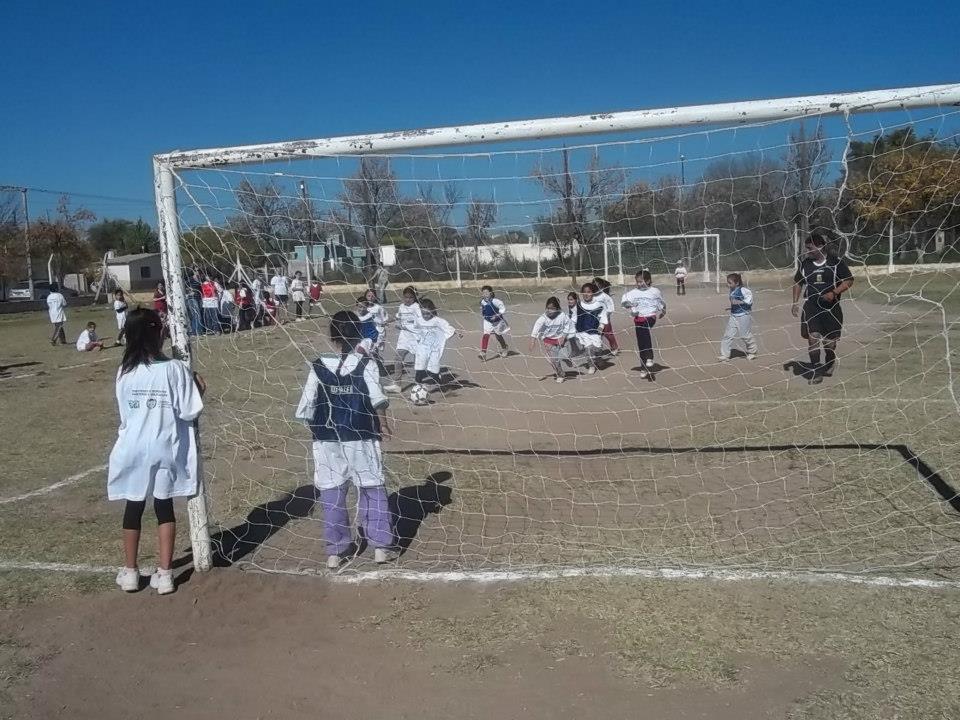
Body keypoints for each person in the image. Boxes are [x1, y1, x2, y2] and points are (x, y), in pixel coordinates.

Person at [107, 308, 206, 594]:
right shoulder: (174, 369)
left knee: (133, 507)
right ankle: (164, 574)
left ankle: (130, 572)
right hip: (165, 446)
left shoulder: (124, 371)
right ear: (156, 334)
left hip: (132, 447)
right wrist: (199, 389)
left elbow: (125, 415)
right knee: (164, 508)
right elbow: (189, 410)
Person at [295, 310, 395, 568]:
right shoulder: (367, 365)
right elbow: (378, 400)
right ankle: (380, 546)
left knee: (332, 490)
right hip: (360, 435)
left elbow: (305, 408)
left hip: (326, 439)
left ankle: (335, 551)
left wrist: (320, 431)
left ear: (332, 336)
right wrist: (383, 425)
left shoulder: (317, 366)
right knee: (371, 485)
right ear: (360, 334)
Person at [791, 233, 854, 384]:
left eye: (810, 248)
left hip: (831, 309)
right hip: (812, 307)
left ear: (820, 246)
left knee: (829, 343)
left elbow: (849, 280)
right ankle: (815, 372)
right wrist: (795, 302)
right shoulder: (805, 264)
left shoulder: (835, 262)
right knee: (813, 338)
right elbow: (798, 283)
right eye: (806, 248)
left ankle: (830, 360)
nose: (807, 251)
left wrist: (834, 292)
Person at [621, 270, 667, 379]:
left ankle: (650, 357)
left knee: (645, 331)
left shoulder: (654, 291)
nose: (639, 284)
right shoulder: (633, 293)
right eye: (637, 282)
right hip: (638, 318)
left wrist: (663, 311)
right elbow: (624, 303)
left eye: (641, 282)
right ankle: (643, 367)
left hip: (650, 316)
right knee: (641, 343)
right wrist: (630, 305)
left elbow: (661, 303)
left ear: (648, 280)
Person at [412, 298, 461, 396]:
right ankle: (417, 386)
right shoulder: (419, 319)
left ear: (432, 311)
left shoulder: (437, 321)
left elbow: (447, 327)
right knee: (419, 367)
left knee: (433, 370)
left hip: (434, 349)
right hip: (423, 347)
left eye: (428, 314)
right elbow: (416, 329)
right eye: (423, 313)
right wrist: (417, 339)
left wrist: (456, 332)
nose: (425, 316)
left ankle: (440, 384)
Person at [530, 297, 576, 383]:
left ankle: (568, 359)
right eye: (548, 308)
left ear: (558, 309)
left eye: (552, 308)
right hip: (548, 340)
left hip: (560, 338)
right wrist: (533, 340)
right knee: (554, 359)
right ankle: (560, 374)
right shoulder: (544, 317)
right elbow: (536, 326)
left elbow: (568, 325)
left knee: (564, 355)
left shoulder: (562, 315)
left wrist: (564, 336)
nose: (550, 310)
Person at [718, 273, 758, 361]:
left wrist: (739, 302)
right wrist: (731, 307)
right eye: (727, 282)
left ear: (736, 283)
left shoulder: (743, 290)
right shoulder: (731, 290)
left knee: (744, 335)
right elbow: (733, 302)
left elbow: (749, 301)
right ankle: (725, 355)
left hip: (744, 315)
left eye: (730, 283)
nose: (728, 285)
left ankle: (752, 352)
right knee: (728, 335)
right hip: (733, 316)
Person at [572, 283, 608, 375]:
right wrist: (572, 327)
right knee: (588, 349)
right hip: (582, 331)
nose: (586, 294)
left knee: (597, 348)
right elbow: (574, 317)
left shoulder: (599, 305)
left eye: (589, 292)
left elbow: (603, 316)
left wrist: (601, 326)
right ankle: (591, 365)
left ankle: (598, 358)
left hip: (594, 331)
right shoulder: (579, 305)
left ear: (593, 293)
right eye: (584, 292)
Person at [389, 286, 421, 390]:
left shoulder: (417, 307)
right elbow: (397, 317)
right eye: (406, 297)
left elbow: (420, 322)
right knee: (398, 359)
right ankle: (397, 385)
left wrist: (406, 325)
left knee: (419, 361)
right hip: (404, 338)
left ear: (414, 298)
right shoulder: (401, 306)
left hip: (415, 337)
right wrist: (388, 321)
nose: (408, 299)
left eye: (410, 297)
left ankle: (418, 383)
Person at [478, 285, 510, 361]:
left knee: (498, 336)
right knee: (486, 335)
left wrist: (497, 315)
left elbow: (503, 309)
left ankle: (504, 347)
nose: (485, 294)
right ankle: (483, 352)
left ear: (491, 293)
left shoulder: (496, 301)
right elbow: (483, 309)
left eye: (486, 292)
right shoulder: (482, 302)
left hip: (498, 322)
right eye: (483, 293)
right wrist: (483, 311)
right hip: (487, 321)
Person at [592, 277, 619, 355]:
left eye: (598, 286)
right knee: (597, 335)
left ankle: (614, 346)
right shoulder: (591, 296)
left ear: (601, 286)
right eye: (594, 285)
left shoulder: (605, 296)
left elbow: (611, 307)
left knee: (608, 334)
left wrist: (607, 315)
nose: (596, 287)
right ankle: (598, 350)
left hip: (605, 318)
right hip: (595, 319)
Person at [185, 272, 202, 336]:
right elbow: (184, 285)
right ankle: (196, 331)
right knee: (196, 314)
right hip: (192, 299)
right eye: (196, 270)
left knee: (197, 315)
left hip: (198, 298)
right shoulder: (190, 279)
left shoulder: (200, 279)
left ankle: (197, 331)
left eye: (198, 270)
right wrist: (189, 290)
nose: (198, 272)